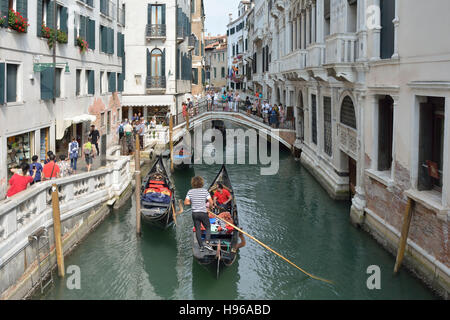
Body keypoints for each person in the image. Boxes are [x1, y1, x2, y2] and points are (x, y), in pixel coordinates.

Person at [184, 176, 214, 252]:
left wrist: (193, 202)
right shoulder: (205, 191)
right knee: (207, 227)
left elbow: (186, 202)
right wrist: (210, 208)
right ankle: (207, 242)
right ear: (201, 183)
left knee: (198, 230)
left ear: (193, 183)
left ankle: (201, 247)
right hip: (203, 213)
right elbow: (211, 202)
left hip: (195, 214)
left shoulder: (190, 191)